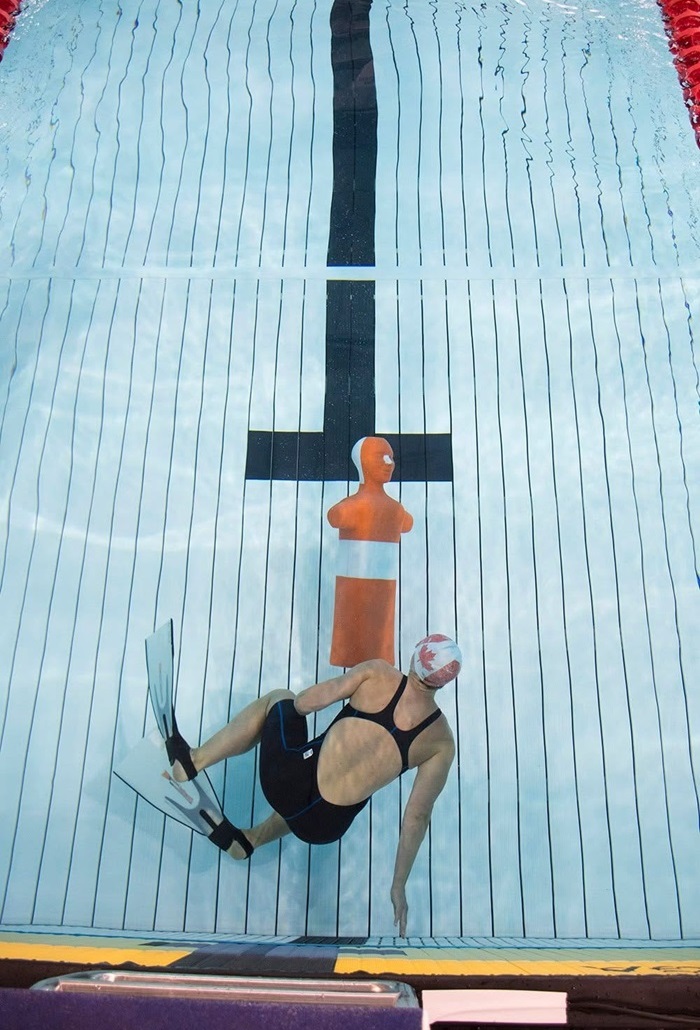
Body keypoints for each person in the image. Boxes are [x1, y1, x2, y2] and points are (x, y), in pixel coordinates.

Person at [166, 633, 461, 936]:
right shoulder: (441, 742)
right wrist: (399, 885)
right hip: (322, 827)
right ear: (443, 683)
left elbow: (304, 704)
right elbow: (416, 818)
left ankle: (193, 762)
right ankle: (249, 840)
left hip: (285, 781)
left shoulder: (379, 673)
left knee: (279, 699)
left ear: (415, 657)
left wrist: (344, 689)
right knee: (326, 794)